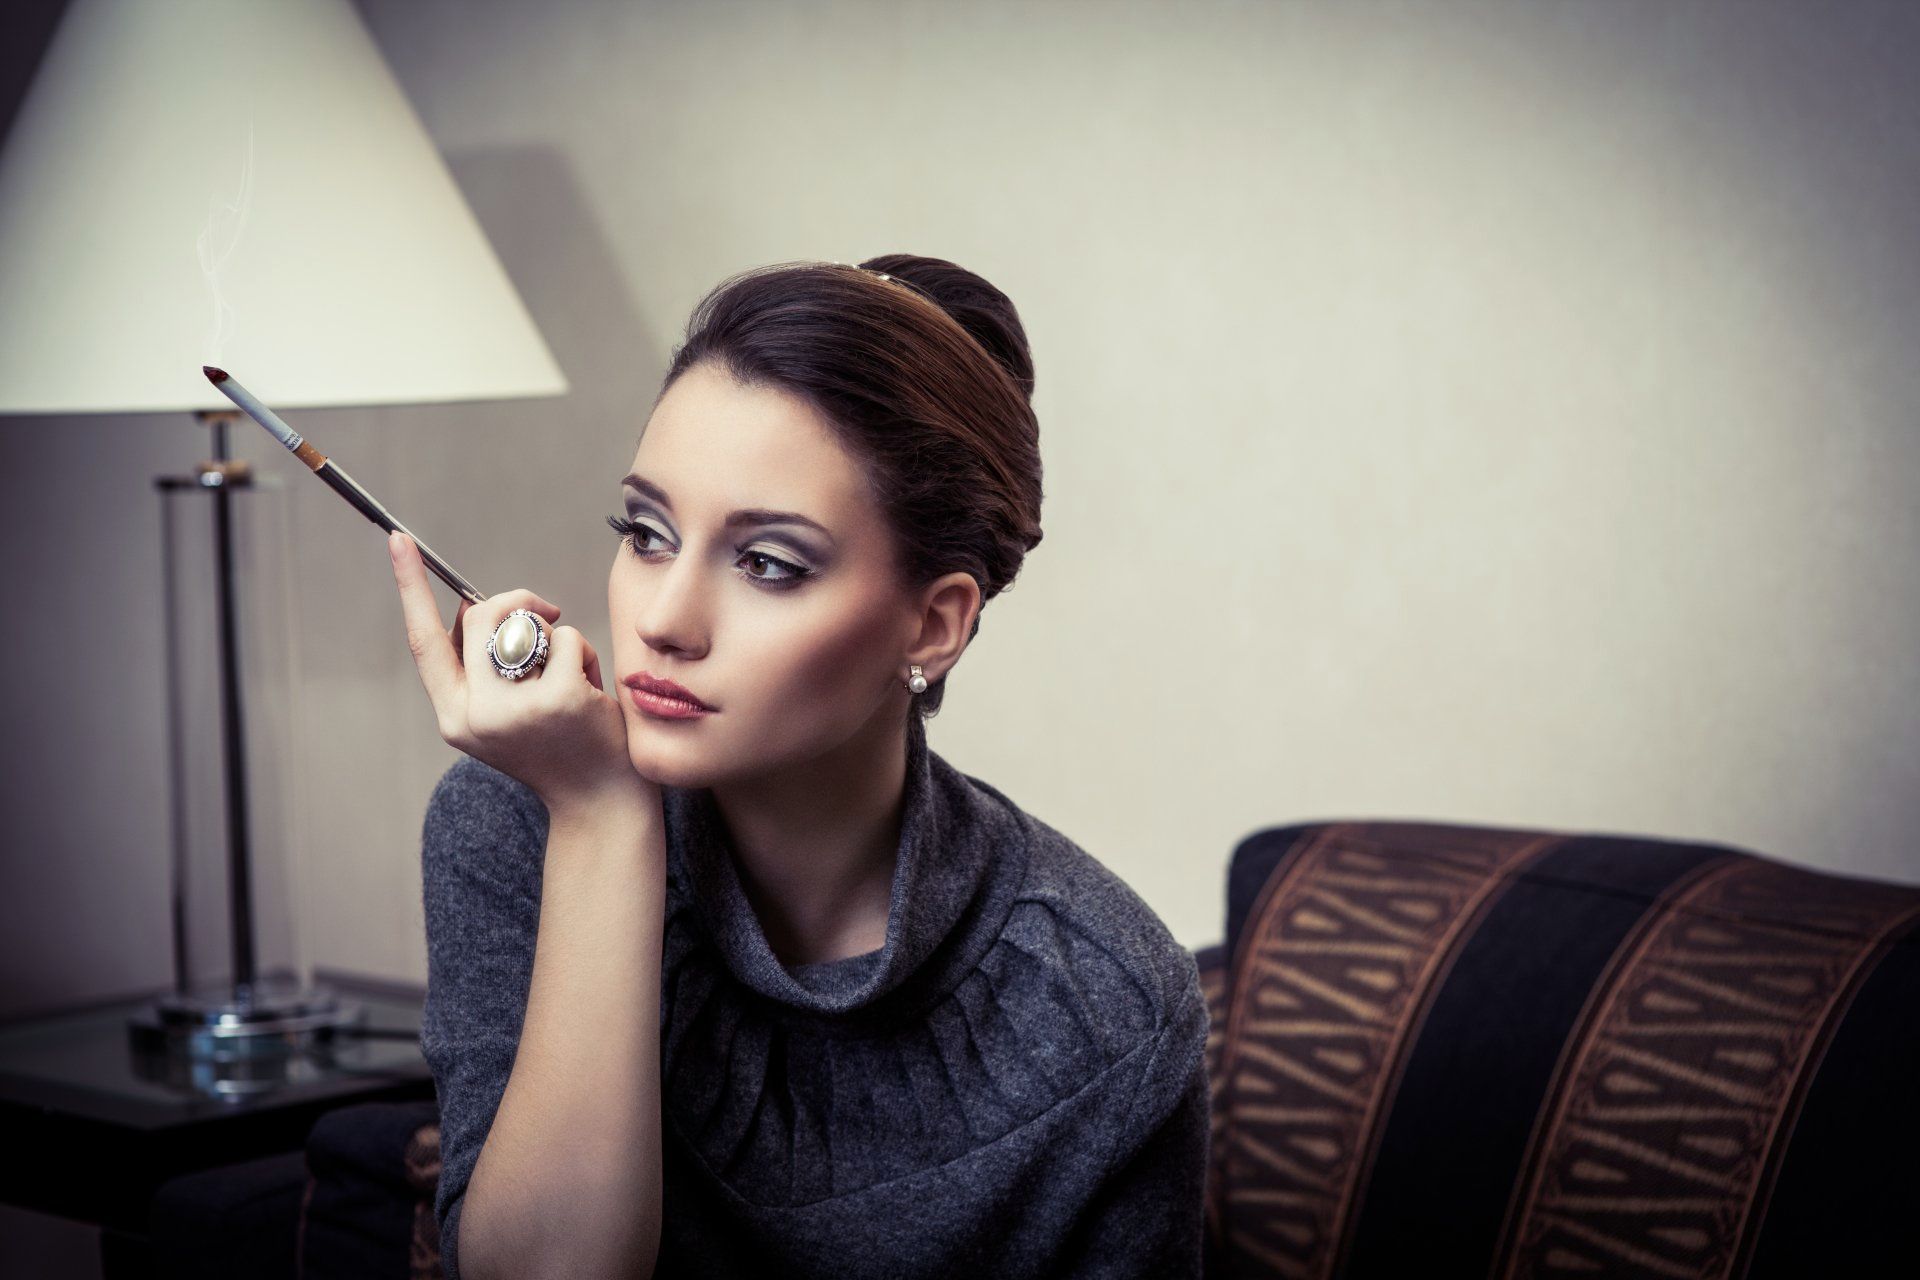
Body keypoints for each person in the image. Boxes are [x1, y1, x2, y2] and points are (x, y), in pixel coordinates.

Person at [389, 255, 1210, 1279]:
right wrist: (602, 821)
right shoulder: (523, 815)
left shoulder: (1108, 1001)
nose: (664, 620)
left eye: (768, 563)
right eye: (647, 533)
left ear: (935, 623)